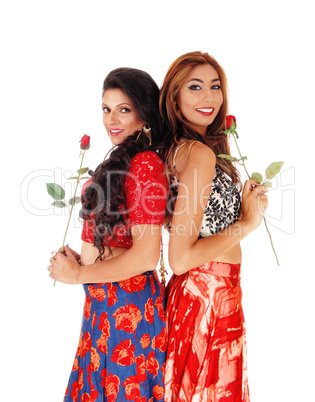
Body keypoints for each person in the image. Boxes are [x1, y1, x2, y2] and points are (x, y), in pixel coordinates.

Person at [48, 67, 168, 402]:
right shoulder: (123, 160)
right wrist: (83, 255)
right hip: (106, 309)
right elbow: (121, 240)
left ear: (145, 116)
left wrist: (79, 273)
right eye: (106, 108)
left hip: (127, 314)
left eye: (123, 109)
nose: (111, 119)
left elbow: (146, 255)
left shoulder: (145, 165)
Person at [159, 51, 268, 401]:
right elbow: (180, 258)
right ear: (174, 97)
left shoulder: (195, 149)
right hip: (205, 296)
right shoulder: (199, 154)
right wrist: (249, 222)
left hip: (212, 293)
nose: (208, 98)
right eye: (195, 87)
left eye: (215, 86)